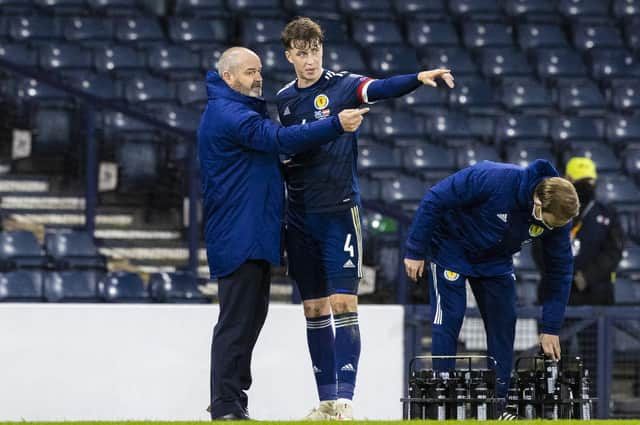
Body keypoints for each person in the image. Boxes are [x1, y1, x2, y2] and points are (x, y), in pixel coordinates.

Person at [276, 17, 454, 420]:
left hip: (339, 212)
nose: (310, 60)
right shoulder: (284, 100)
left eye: (315, 50)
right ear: (289, 56)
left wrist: (417, 77)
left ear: (323, 49)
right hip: (300, 216)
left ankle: (347, 401)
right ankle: (325, 403)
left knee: (343, 303)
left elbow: (379, 88)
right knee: (314, 310)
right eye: (302, 53)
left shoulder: (342, 85)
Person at [198, 46, 369, 421]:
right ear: (228, 77)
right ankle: (226, 405)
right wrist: (336, 124)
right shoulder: (231, 115)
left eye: (259, 70)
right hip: (239, 233)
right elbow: (279, 139)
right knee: (236, 323)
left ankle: (233, 403)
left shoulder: (237, 109)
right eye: (248, 72)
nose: (258, 77)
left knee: (248, 320)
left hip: (252, 233)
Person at [403, 159, 580, 419]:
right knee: (448, 320)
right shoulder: (493, 179)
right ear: (538, 203)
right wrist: (416, 250)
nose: (551, 230)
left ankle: (498, 407)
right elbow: (435, 198)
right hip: (451, 250)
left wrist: (551, 328)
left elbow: (561, 271)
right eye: (550, 224)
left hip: (496, 263)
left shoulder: (557, 220)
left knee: (504, 326)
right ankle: (441, 401)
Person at [534, 157, 624, 305]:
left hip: (596, 297)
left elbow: (613, 252)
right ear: (567, 179)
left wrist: (586, 277)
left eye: (589, 181)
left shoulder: (608, 213)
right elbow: (539, 247)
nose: (587, 186)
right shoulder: (550, 210)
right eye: (582, 181)